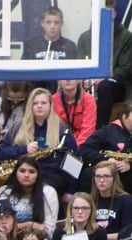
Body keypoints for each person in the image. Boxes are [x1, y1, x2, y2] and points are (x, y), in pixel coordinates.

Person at [0, 87, 78, 202]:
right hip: (24, 173)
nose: (39, 106)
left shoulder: (62, 129)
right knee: (4, 192)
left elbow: (74, 161)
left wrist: (71, 191)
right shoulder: (18, 126)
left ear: (50, 105)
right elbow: (0, 152)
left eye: (43, 103)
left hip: (52, 176)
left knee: (45, 192)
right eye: (35, 103)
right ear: (30, 106)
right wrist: (24, 149)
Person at [77, 0, 132, 129]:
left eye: (108, 12)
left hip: (115, 84)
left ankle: (99, 130)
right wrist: (86, 80)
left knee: (105, 86)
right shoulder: (85, 37)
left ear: (114, 14)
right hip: (89, 82)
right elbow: (80, 65)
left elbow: (124, 70)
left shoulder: (126, 37)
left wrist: (104, 77)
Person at [0, 156, 59, 240]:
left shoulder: (48, 192)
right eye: (22, 171)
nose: (26, 175)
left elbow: (48, 230)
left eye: (31, 172)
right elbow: (1, 227)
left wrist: (18, 229)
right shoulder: (4, 192)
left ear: (38, 174)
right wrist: (30, 225)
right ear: (15, 172)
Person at [0, 81, 30, 195]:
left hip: (22, 145)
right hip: (2, 145)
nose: (15, 102)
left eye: (20, 99)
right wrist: (1, 142)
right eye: (11, 99)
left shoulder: (29, 105)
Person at [78, 100, 132, 194]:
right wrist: (107, 160)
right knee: (88, 174)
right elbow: (84, 150)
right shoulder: (106, 131)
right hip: (105, 171)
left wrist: (130, 166)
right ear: (124, 117)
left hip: (127, 177)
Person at [21, 6, 77, 94]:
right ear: (42, 24)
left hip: (62, 90)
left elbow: (74, 73)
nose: (52, 26)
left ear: (61, 24)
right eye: (48, 22)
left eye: (56, 22)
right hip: (36, 89)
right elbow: (24, 71)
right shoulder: (31, 45)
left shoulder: (69, 46)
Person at [90, 161, 132, 240]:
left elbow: (127, 234)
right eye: (98, 176)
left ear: (114, 178)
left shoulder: (125, 200)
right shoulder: (90, 200)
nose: (101, 180)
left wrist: (102, 237)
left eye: (106, 176)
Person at [51, 79, 96, 146]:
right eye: (64, 77)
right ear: (59, 81)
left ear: (78, 80)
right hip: (60, 143)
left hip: (83, 145)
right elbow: (52, 129)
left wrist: (75, 149)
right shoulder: (53, 100)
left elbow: (88, 130)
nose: (68, 80)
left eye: (71, 75)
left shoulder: (89, 99)